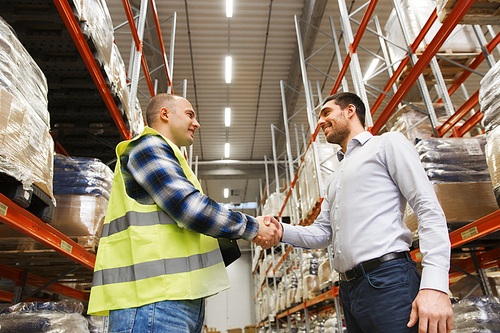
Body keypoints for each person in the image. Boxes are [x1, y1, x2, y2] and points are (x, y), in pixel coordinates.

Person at [87, 93, 280, 332]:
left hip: (174, 299)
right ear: (165, 114)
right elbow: (191, 209)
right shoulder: (147, 148)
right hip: (152, 301)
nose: (196, 123)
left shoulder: (173, 159)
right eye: (190, 114)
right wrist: (253, 227)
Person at [266, 92, 453, 333]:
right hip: (350, 291)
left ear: (350, 111)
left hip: (388, 281)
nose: (320, 122)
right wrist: (281, 231)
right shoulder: (336, 178)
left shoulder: (387, 144)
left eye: (326, 113)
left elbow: (427, 208)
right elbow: (323, 233)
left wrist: (435, 285)